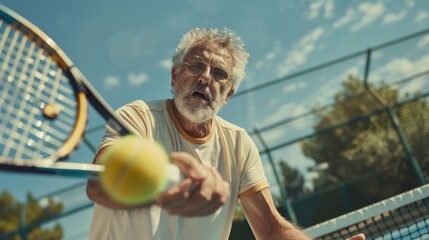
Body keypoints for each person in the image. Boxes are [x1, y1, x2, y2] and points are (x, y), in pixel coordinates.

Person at [86, 27, 365, 240]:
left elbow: (269, 227)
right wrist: (165, 179)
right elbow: (99, 184)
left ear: (228, 94)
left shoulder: (238, 143)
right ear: (174, 76)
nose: (205, 78)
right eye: (195, 66)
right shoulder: (138, 117)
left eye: (219, 73)